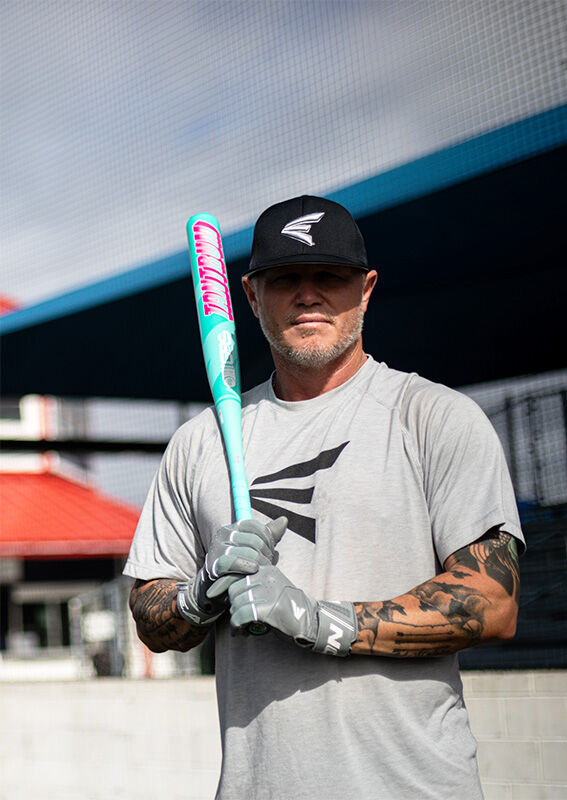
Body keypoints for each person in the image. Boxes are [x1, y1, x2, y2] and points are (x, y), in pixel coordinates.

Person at [125, 195, 524, 800]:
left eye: (330, 277)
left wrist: (319, 621)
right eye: (286, 278)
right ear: (251, 295)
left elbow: (493, 604)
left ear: (365, 289)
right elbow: (151, 618)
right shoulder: (198, 443)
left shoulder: (434, 417)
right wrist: (200, 594)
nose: (308, 295)